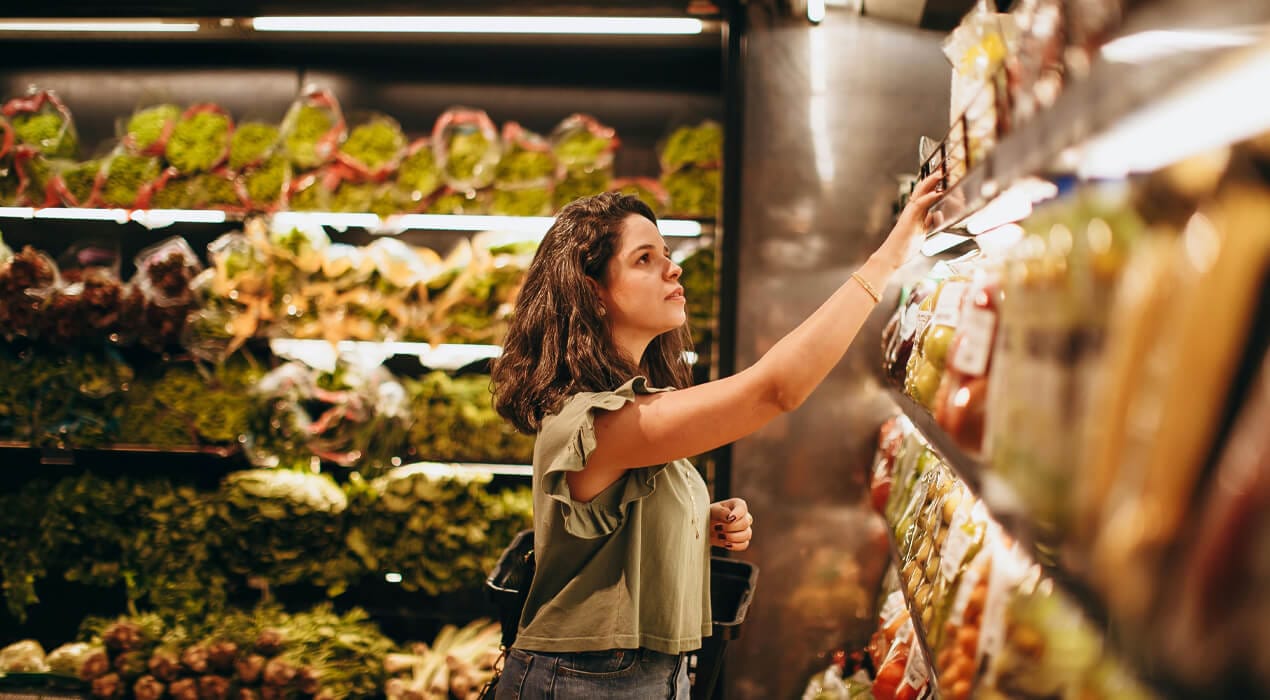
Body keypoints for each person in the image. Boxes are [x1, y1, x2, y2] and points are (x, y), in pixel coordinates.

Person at [489, 173, 943, 699]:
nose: (672, 266)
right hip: (584, 682)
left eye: (665, 253)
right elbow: (774, 390)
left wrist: (695, 522)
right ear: (593, 291)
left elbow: (608, 530)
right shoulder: (596, 421)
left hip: (631, 676)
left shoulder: (631, 408)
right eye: (644, 259)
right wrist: (887, 259)